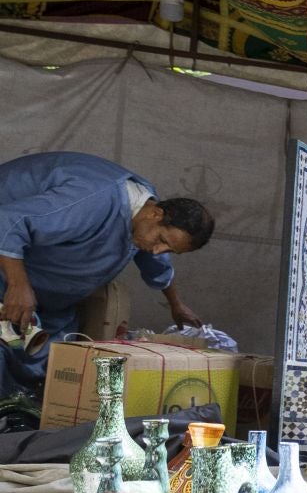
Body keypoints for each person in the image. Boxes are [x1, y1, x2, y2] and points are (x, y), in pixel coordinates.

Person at [0, 152, 212, 397]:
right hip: (8, 282)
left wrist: (176, 304)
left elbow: (157, 265)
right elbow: (8, 222)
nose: (158, 250)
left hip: (48, 303)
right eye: (162, 241)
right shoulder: (93, 198)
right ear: (156, 214)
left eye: (170, 250)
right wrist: (18, 285)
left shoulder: (145, 214)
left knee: (53, 364)